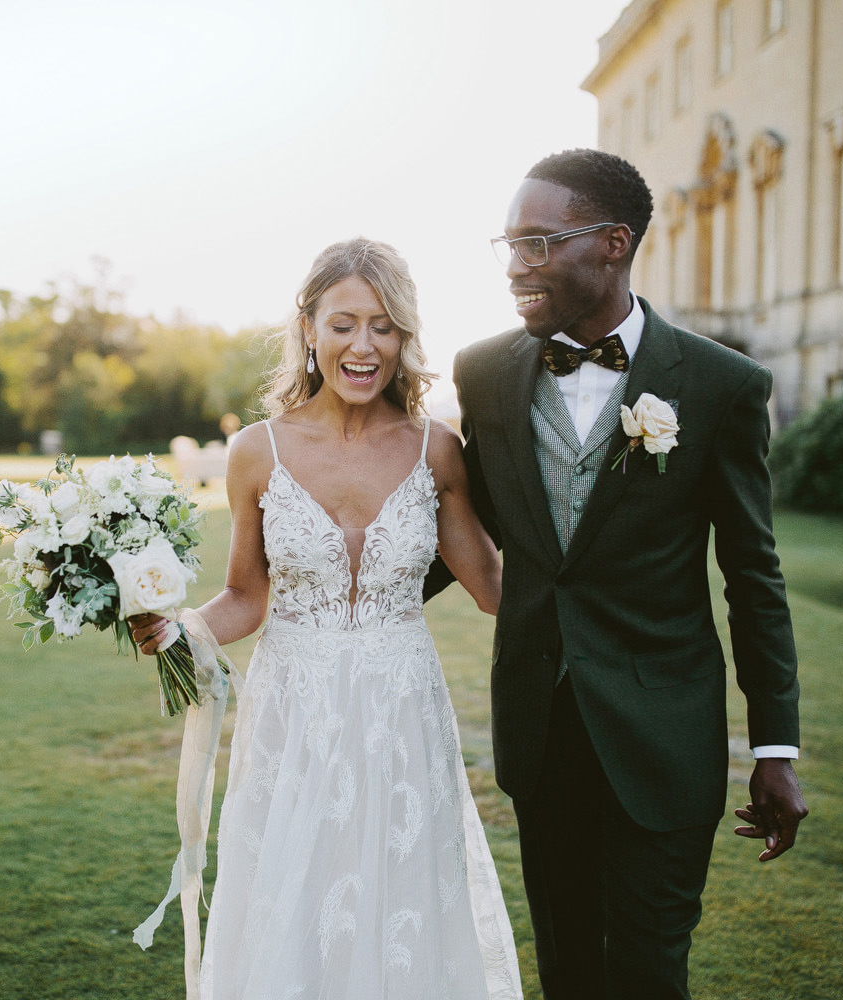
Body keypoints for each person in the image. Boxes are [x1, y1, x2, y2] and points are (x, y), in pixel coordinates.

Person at [432, 148, 808, 999]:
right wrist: (317, 592)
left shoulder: (721, 385)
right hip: (540, 727)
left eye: (539, 243)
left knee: (645, 971)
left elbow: (753, 576)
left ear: (612, 243)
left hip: (662, 738)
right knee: (567, 969)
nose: (517, 267)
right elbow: (464, 531)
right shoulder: (485, 374)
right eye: (509, 245)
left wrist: (776, 745)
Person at [131, 238, 523, 999]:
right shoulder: (257, 451)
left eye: (384, 326)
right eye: (344, 323)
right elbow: (247, 594)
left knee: (401, 894)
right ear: (308, 328)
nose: (364, 345)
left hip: (402, 713)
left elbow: (491, 587)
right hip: (294, 714)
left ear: (404, 338)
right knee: (296, 897)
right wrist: (185, 628)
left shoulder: (435, 451)